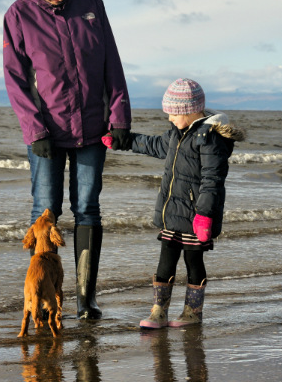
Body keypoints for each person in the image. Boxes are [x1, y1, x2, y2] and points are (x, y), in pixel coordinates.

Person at [3, 0, 132, 320]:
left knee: (88, 209)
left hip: (93, 128)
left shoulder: (91, 4)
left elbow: (112, 63)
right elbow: (15, 79)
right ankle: (43, 298)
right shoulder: (18, 15)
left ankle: (85, 299)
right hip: (46, 131)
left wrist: (120, 116)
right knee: (45, 213)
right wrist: (34, 129)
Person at [102, 78, 245, 328]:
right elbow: (154, 145)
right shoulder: (177, 134)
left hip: (195, 217)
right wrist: (123, 141)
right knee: (165, 260)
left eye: (172, 114)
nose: (169, 118)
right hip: (171, 213)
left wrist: (204, 215)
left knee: (193, 262)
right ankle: (159, 312)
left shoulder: (210, 140)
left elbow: (213, 180)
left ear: (189, 111)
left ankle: (192, 313)